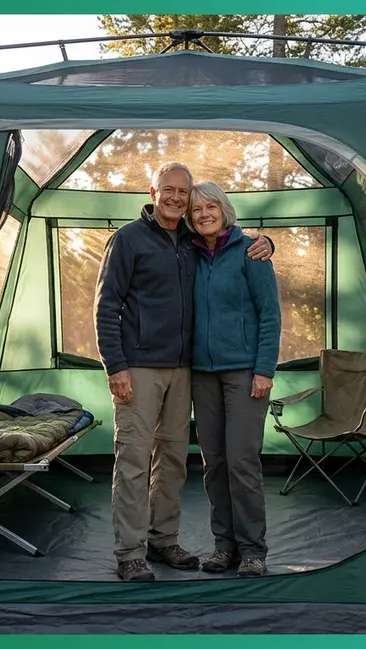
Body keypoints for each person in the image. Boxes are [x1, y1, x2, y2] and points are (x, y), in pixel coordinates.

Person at [94, 162, 274, 582]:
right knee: (135, 460)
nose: (178, 199)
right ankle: (130, 552)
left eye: (184, 193)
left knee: (174, 460)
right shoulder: (128, 239)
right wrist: (115, 366)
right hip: (140, 368)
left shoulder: (195, 244)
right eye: (170, 191)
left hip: (185, 370)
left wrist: (267, 242)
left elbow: (237, 254)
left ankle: (164, 539)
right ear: (152, 192)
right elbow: (105, 306)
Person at [186, 180, 281, 578]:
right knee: (214, 464)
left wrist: (264, 370)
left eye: (210, 206)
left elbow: (270, 314)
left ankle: (253, 550)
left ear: (224, 210)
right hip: (201, 374)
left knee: (242, 462)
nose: (204, 214)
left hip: (244, 372)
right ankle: (223, 546)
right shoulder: (187, 253)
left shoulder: (251, 252)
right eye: (196, 209)